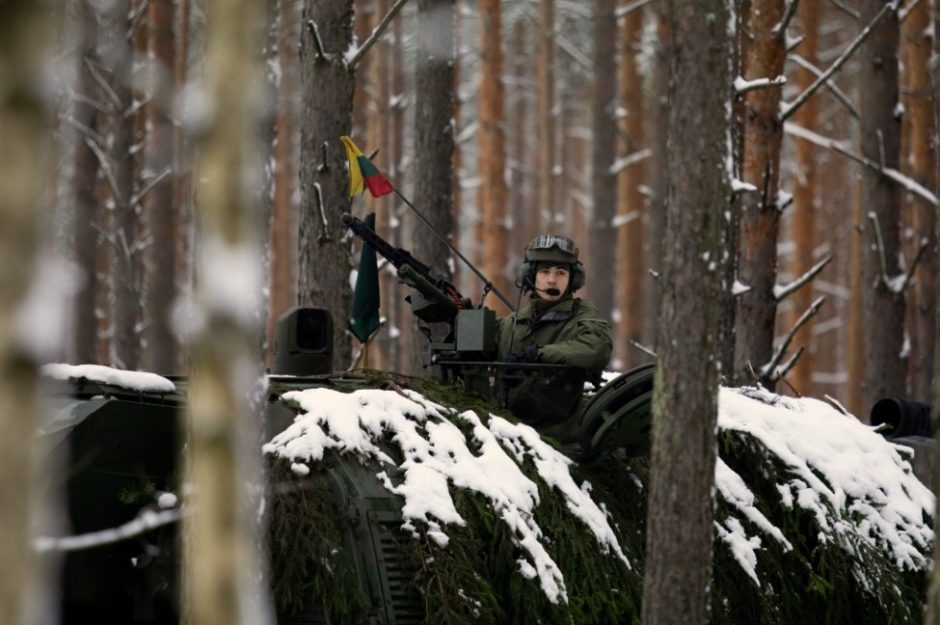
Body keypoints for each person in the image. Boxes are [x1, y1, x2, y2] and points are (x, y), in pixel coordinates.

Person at [495, 234, 612, 443]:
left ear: (572, 279)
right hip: (503, 437)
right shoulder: (510, 324)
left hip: (559, 443)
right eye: (544, 272)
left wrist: (540, 355)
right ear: (530, 276)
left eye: (560, 273)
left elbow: (598, 347)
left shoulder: (581, 317)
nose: (552, 280)